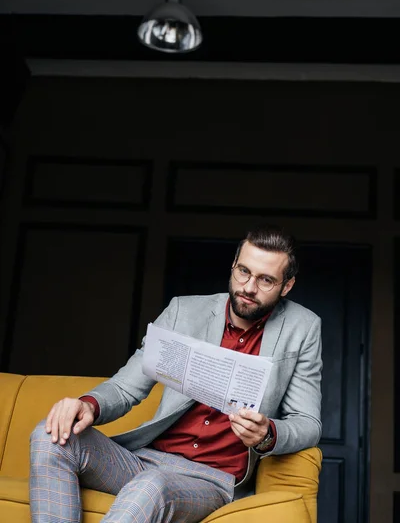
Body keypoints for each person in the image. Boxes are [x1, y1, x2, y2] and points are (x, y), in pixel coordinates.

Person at [29, 224, 322, 523]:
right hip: (144, 460)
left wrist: (267, 435)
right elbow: (126, 387)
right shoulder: (183, 311)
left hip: (212, 480)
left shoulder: (303, 328)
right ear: (233, 265)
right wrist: (87, 404)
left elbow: (308, 422)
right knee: (50, 435)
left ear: (286, 286)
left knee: (152, 486)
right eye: (243, 272)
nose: (248, 287)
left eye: (266, 280)